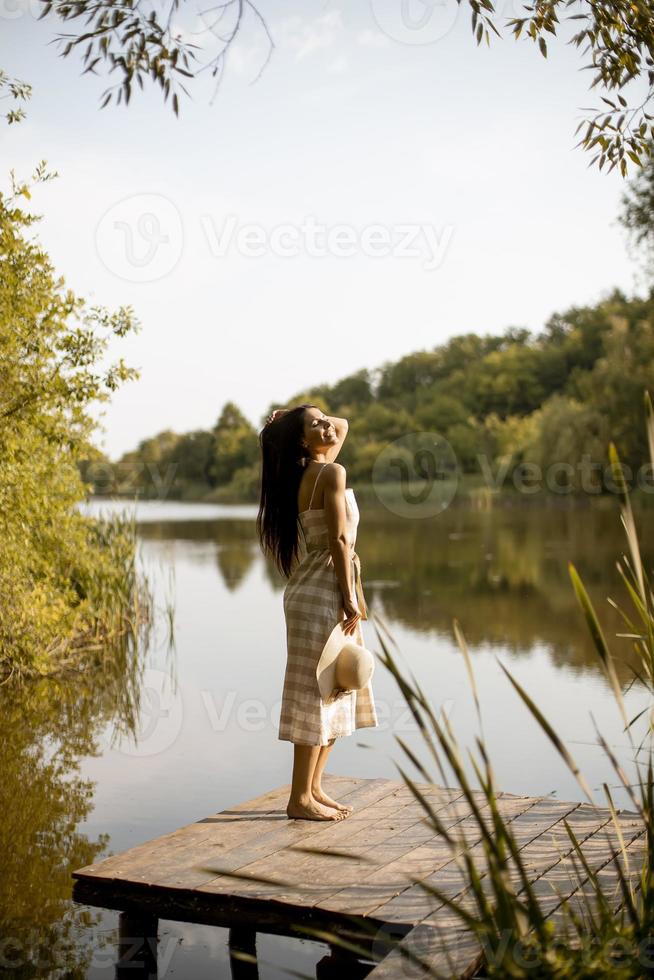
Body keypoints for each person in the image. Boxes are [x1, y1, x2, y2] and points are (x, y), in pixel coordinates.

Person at [256, 404, 378, 821]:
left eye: (326, 418)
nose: (329, 425)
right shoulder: (330, 474)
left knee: (337, 685)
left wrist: (297, 415)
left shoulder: (308, 472)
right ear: (301, 442)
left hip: (308, 590)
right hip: (325, 589)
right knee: (317, 691)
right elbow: (340, 541)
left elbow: (343, 423)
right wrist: (349, 596)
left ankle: (313, 788)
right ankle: (299, 799)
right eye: (315, 425)